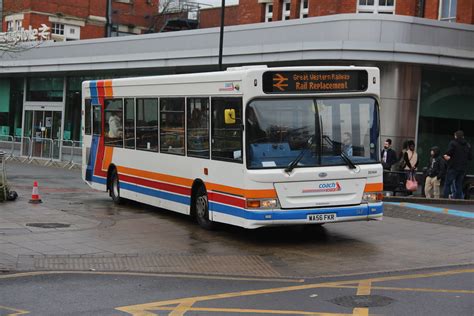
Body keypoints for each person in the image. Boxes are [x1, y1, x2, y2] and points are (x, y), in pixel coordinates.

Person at [442, 130, 472, 199]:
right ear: (463, 136)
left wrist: (446, 156)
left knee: (447, 183)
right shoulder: (468, 145)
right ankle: (458, 199)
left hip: (453, 167)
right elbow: (470, 157)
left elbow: (448, 152)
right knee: (459, 184)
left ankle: (445, 199)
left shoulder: (453, 143)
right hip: (463, 168)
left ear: (456, 136)